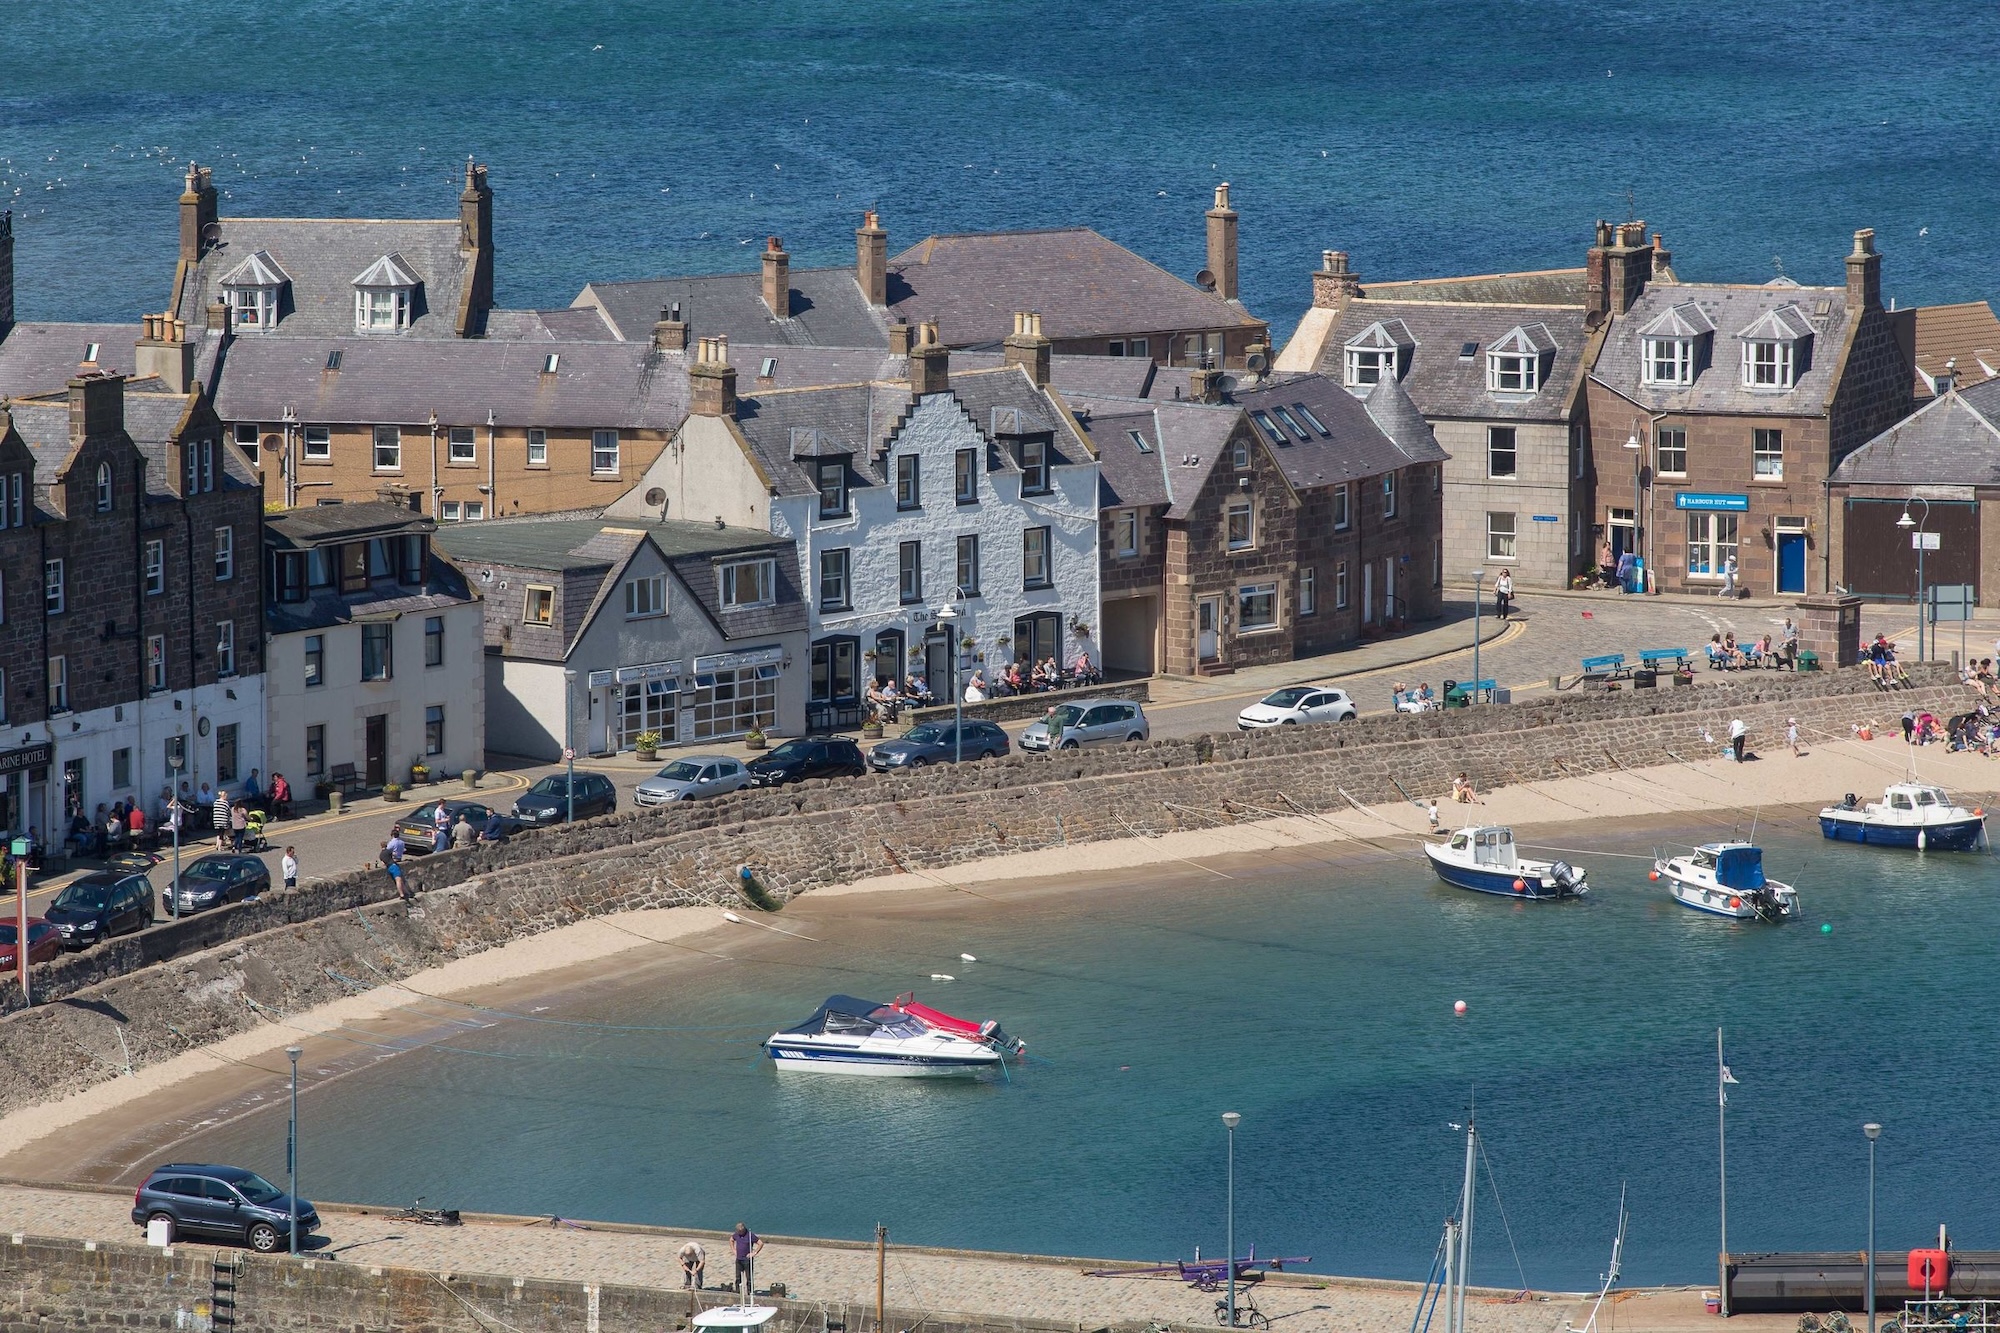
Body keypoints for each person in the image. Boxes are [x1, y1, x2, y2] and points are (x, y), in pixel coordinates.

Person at [731, 1223, 764, 1300]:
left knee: (749, 1278)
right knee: (738, 1277)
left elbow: (760, 1243)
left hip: (747, 1260)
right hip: (739, 1259)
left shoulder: (750, 1235)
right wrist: (733, 1250)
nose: (739, 1233)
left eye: (740, 1231)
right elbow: (731, 1240)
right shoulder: (736, 1234)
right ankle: (738, 1292)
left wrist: (754, 1253)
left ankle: (750, 1292)